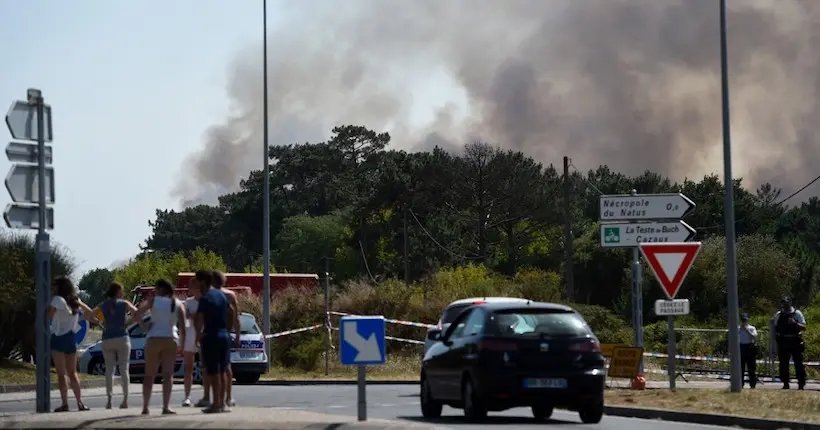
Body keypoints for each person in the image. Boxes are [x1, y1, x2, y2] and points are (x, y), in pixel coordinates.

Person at [134, 279, 186, 414]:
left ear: (160, 290)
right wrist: (182, 344)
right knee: (168, 374)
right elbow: (183, 326)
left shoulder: (153, 301)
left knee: (149, 374)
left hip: (153, 338)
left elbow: (137, 314)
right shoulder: (178, 303)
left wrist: (145, 327)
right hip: (171, 338)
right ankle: (166, 406)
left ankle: (145, 407)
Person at [48, 277, 97, 412]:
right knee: (73, 373)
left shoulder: (57, 300)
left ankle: (65, 403)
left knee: (61, 374)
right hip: (71, 338)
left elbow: (49, 315)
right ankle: (80, 403)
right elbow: (89, 311)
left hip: (58, 338)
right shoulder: (76, 301)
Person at [91, 282, 138, 409]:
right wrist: (128, 322)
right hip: (122, 337)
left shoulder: (103, 305)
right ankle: (125, 400)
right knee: (124, 369)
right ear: (118, 292)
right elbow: (137, 313)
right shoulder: (125, 303)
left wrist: (98, 323)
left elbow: (89, 314)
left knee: (109, 370)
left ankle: (109, 400)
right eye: (121, 291)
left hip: (107, 338)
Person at [195, 269, 233, 413]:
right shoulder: (222, 295)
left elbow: (199, 318)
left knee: (213, 371)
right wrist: (228, 329)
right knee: (223, 370)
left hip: (211, 336)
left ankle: (216, 403)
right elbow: (231, 312)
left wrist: (198, 335)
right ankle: (222, 403)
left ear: (203, 282)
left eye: (198, 281)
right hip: (223, 335)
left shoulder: (206, 298)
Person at [212, 270, 241, 408]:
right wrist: (238, 335)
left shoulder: (211, 295)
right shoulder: (230, 295)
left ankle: (221, 398)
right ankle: (226, 397)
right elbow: (236, 318)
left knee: (217, 368)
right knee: (225, 366)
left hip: (215, 333)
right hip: (225, 333)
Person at [773, 296, 807, 390]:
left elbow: (804, 327)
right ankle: (785, 383)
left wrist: (795, 323)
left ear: (790, 302)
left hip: (795, 341)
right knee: (783, 364)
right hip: (783, 342)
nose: (785, 304)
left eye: (787, 302)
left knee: (799, 364)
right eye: (783, 302)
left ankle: (801, 384)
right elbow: (775, 328)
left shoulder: (797, 313)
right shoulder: (779, 314)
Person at [182, 278, 203, 407]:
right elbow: (183, 317)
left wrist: (194, 315)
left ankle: (207, 396)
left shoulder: (206, 302)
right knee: (188, 368)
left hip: (203, 335)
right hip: (190, 335)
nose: (193, 290)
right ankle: (187, 397)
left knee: (206, 368)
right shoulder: (187, 302)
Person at [738, 313, 758, 389]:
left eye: (745, 320)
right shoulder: (738, 328)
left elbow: (754, 337)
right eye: (743, 320)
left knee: (751, 368)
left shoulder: (752, 328)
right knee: (740, 368)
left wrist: (746, 330)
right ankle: (740, 384)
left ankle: (752, 384)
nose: (744, 322)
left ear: (748, 320)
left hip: (749, 347)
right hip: (741, 347)